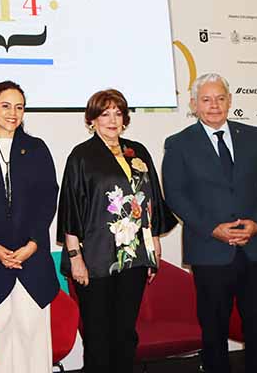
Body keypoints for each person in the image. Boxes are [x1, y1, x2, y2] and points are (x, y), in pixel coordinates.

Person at [162, 73, 257, 373]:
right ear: (194, 104)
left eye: (220, 98)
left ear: (230, 101)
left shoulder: (253, 136)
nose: (214, 105)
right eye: (206, 99)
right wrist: (212, 228)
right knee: (214, 333)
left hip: (256, 251)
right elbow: (176, 196)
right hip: (210, 253)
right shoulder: (178, 144)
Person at [56, 88, 176, 373]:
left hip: (134, 256)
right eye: (104, 113)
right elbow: (71, 207)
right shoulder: (81, 156)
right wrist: (75, 257)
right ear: (92, 120)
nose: (112, 120)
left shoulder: (138, 151)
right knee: (98, 336)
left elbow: (152, 200)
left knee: (125, 332)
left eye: (118, 113)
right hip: (94, 259)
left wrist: (154, 244)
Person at [0, 81, 60, 373]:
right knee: (5, 338)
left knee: (36, 337)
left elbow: (48, 199)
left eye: (19, 107)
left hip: (32, 259)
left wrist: (31, 245)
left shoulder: (36, 148)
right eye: (6, 106)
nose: (13, 113)